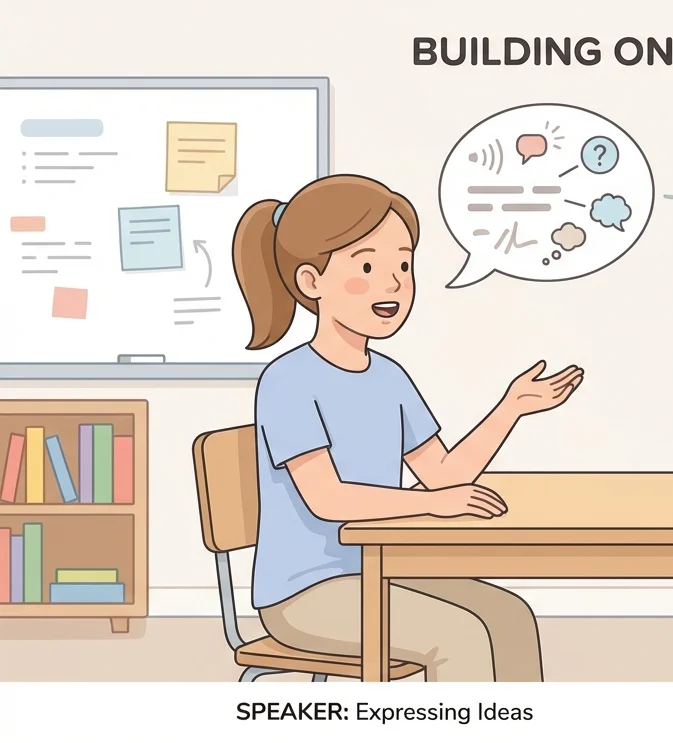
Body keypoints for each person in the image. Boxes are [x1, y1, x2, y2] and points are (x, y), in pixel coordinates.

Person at [232, 174, 582, 682]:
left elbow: (442, 474)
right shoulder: (287, 381)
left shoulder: (390, 377)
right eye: (368, 266)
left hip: (379, 568)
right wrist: (430, 504)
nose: (393, 282)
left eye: (403, 264)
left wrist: (511, 408)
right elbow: (326, 499)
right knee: (458, 637)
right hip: (304, 592)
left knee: (510, 617)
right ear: (312, 282)